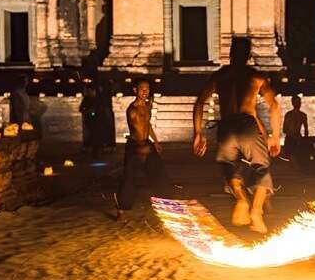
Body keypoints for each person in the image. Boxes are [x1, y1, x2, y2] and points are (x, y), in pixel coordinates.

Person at [192, 37, 281, 234]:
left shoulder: (220, 75)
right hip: (247, 124)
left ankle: (241, 199)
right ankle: (256, 211)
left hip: (227, 126)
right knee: (262, 169)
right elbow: (273, 105)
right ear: (248, 56)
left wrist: (198, 133)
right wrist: (274, 136)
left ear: (231, 53)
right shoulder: (256, 77)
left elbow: (199, 102)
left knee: (228, 167)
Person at [114, 79, 172, 219]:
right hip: (135, 146)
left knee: (159, 172)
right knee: (129, 177)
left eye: (147, 88)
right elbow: (138, 129)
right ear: (135, 90)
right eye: (142, 88)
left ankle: (165, 202)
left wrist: (155, 141)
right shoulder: (132, 110)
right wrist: (142, 147)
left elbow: (148, 125)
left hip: (147, 143)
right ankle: (122, 207)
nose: (145, 91)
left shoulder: (147, 106)